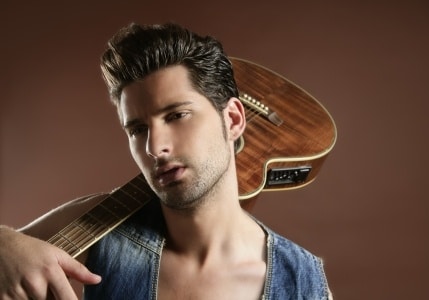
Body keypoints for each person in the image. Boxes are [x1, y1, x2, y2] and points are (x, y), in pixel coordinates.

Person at [0, 23, 333, 299]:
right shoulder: (100, 224)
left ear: (232, 120)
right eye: (138, 129)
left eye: (176, 115)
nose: (154, 147)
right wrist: (4, 242)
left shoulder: (304, 283)